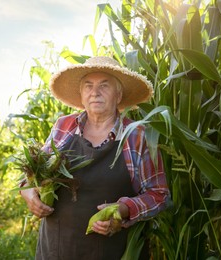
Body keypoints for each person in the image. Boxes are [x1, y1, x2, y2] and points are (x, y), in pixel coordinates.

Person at [20, 56, 170, 259]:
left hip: (112, 251)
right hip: (55, 249)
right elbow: (35, 173)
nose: (95, 93)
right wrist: (28, 191)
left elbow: (159, 194)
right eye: (88, 86)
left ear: (118, 95)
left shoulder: (137, 135)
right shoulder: (63, 126)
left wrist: (124, 209)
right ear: (81, 95)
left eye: (104, 86)